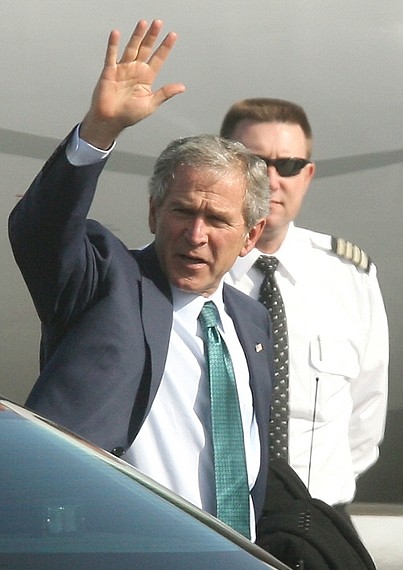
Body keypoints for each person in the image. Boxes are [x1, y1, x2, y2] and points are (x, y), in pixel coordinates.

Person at [8, 21, 274, 539]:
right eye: (181, 211)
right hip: (121, 565)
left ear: (250, 236)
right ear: (153, 213)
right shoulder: (106, 280)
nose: (196, 234)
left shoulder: (250, 320)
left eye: (217, 220)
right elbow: (40, 231)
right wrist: (99, 131)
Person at [221, 98, 389, 510]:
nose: (273, 179)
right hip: (215, 514)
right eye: (256, 163)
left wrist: (324, 492)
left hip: (317, 519)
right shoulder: (185, 272)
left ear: (307, 175)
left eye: (289, 165)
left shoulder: (349, 276)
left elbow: (367, 409)